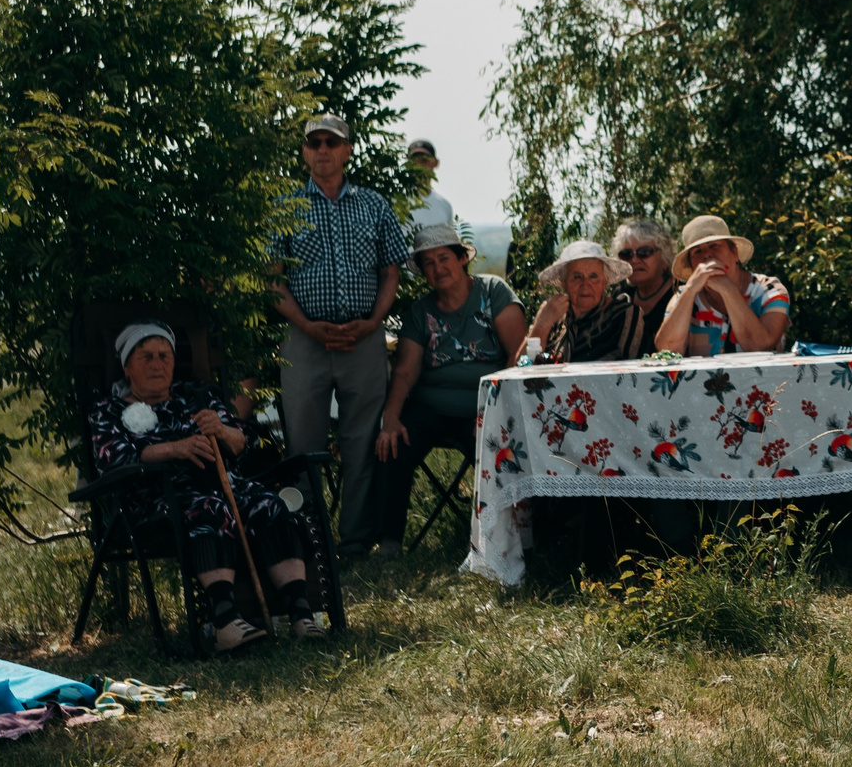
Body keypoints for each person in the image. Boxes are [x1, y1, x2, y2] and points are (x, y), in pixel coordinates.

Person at [86, 323, 324, 648]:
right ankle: (225, 621)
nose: (157, 363)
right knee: (208, 508)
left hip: (226, 485)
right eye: (146, 357)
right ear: (127, 366)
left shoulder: (198, 396)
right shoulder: (109, 410)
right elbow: (114, 459)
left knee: (269, 505)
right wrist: (176, 448)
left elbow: (245, 441)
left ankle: (301, 614)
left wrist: (224, 432)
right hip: (160, 497)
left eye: (164, 356)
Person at [268, 112, 411, 561]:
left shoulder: (374, 205)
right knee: (303, 445)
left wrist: (374, 322)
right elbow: (272, 279)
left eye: (332, 142)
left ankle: (354, 543)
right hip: (303, 340)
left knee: (362, 443)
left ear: (348, 150)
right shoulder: (284, 206)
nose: (323, 150)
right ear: (305, 151)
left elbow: (391, 272)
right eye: (315, 143)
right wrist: (307, 325)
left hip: (364, 339)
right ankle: (308, 543)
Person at [376, 223, 526, 531]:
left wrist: (493, 414)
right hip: (431, 407)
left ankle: (506, 536)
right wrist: (390, 418)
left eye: (443, 258)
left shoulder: (494, 291)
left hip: (487, 406)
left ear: (461, 258)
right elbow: (404, 370)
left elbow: (518, 355)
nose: (438, 268)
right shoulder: (420, 312)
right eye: (428, 263)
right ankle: (388, 541)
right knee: (393, 444)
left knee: (501, 452)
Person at [653, 216, 793, 356]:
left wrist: (728, 290)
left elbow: (760, 346)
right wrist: (690, 290)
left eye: (714, 245)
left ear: (735, 252)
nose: (707, 255)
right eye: (697, 251)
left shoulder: (769, 290)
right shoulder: (684, 297)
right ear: (692, 266)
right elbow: (668, 351)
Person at [526, 239, 648, 364]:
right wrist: (542, 325)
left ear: (604, 283)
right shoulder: (553, 314)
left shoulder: (625, 315)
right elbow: (521, 369)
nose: (585, 285)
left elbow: (632, 372)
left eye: (593, 276)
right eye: (577, 277)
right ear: (564, 283)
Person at [610, 218, 682, 347]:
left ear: (665, 257)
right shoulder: (621, 296)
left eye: (644, 252)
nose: (635, 260)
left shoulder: (682, 293)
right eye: (626, 254)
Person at [405, 138, 454, 238]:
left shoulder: (444, 205)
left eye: (424, 160)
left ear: (436, 163)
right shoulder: (395, 202)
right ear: (407, 164)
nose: (419, 165)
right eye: (414, 161)